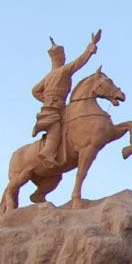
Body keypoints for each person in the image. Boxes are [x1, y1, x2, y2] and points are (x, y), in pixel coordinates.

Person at [31, 31, 101, 169]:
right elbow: (79, 62)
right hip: (54, 107)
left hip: (54, 105)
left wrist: (45, 100)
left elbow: (34, 91)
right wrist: (91, 46)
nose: (64, 58)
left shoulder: (48, 76)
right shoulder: (63, 70)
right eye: (62, 56)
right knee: (55, 128)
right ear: (59, 59)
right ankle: (48, 153)